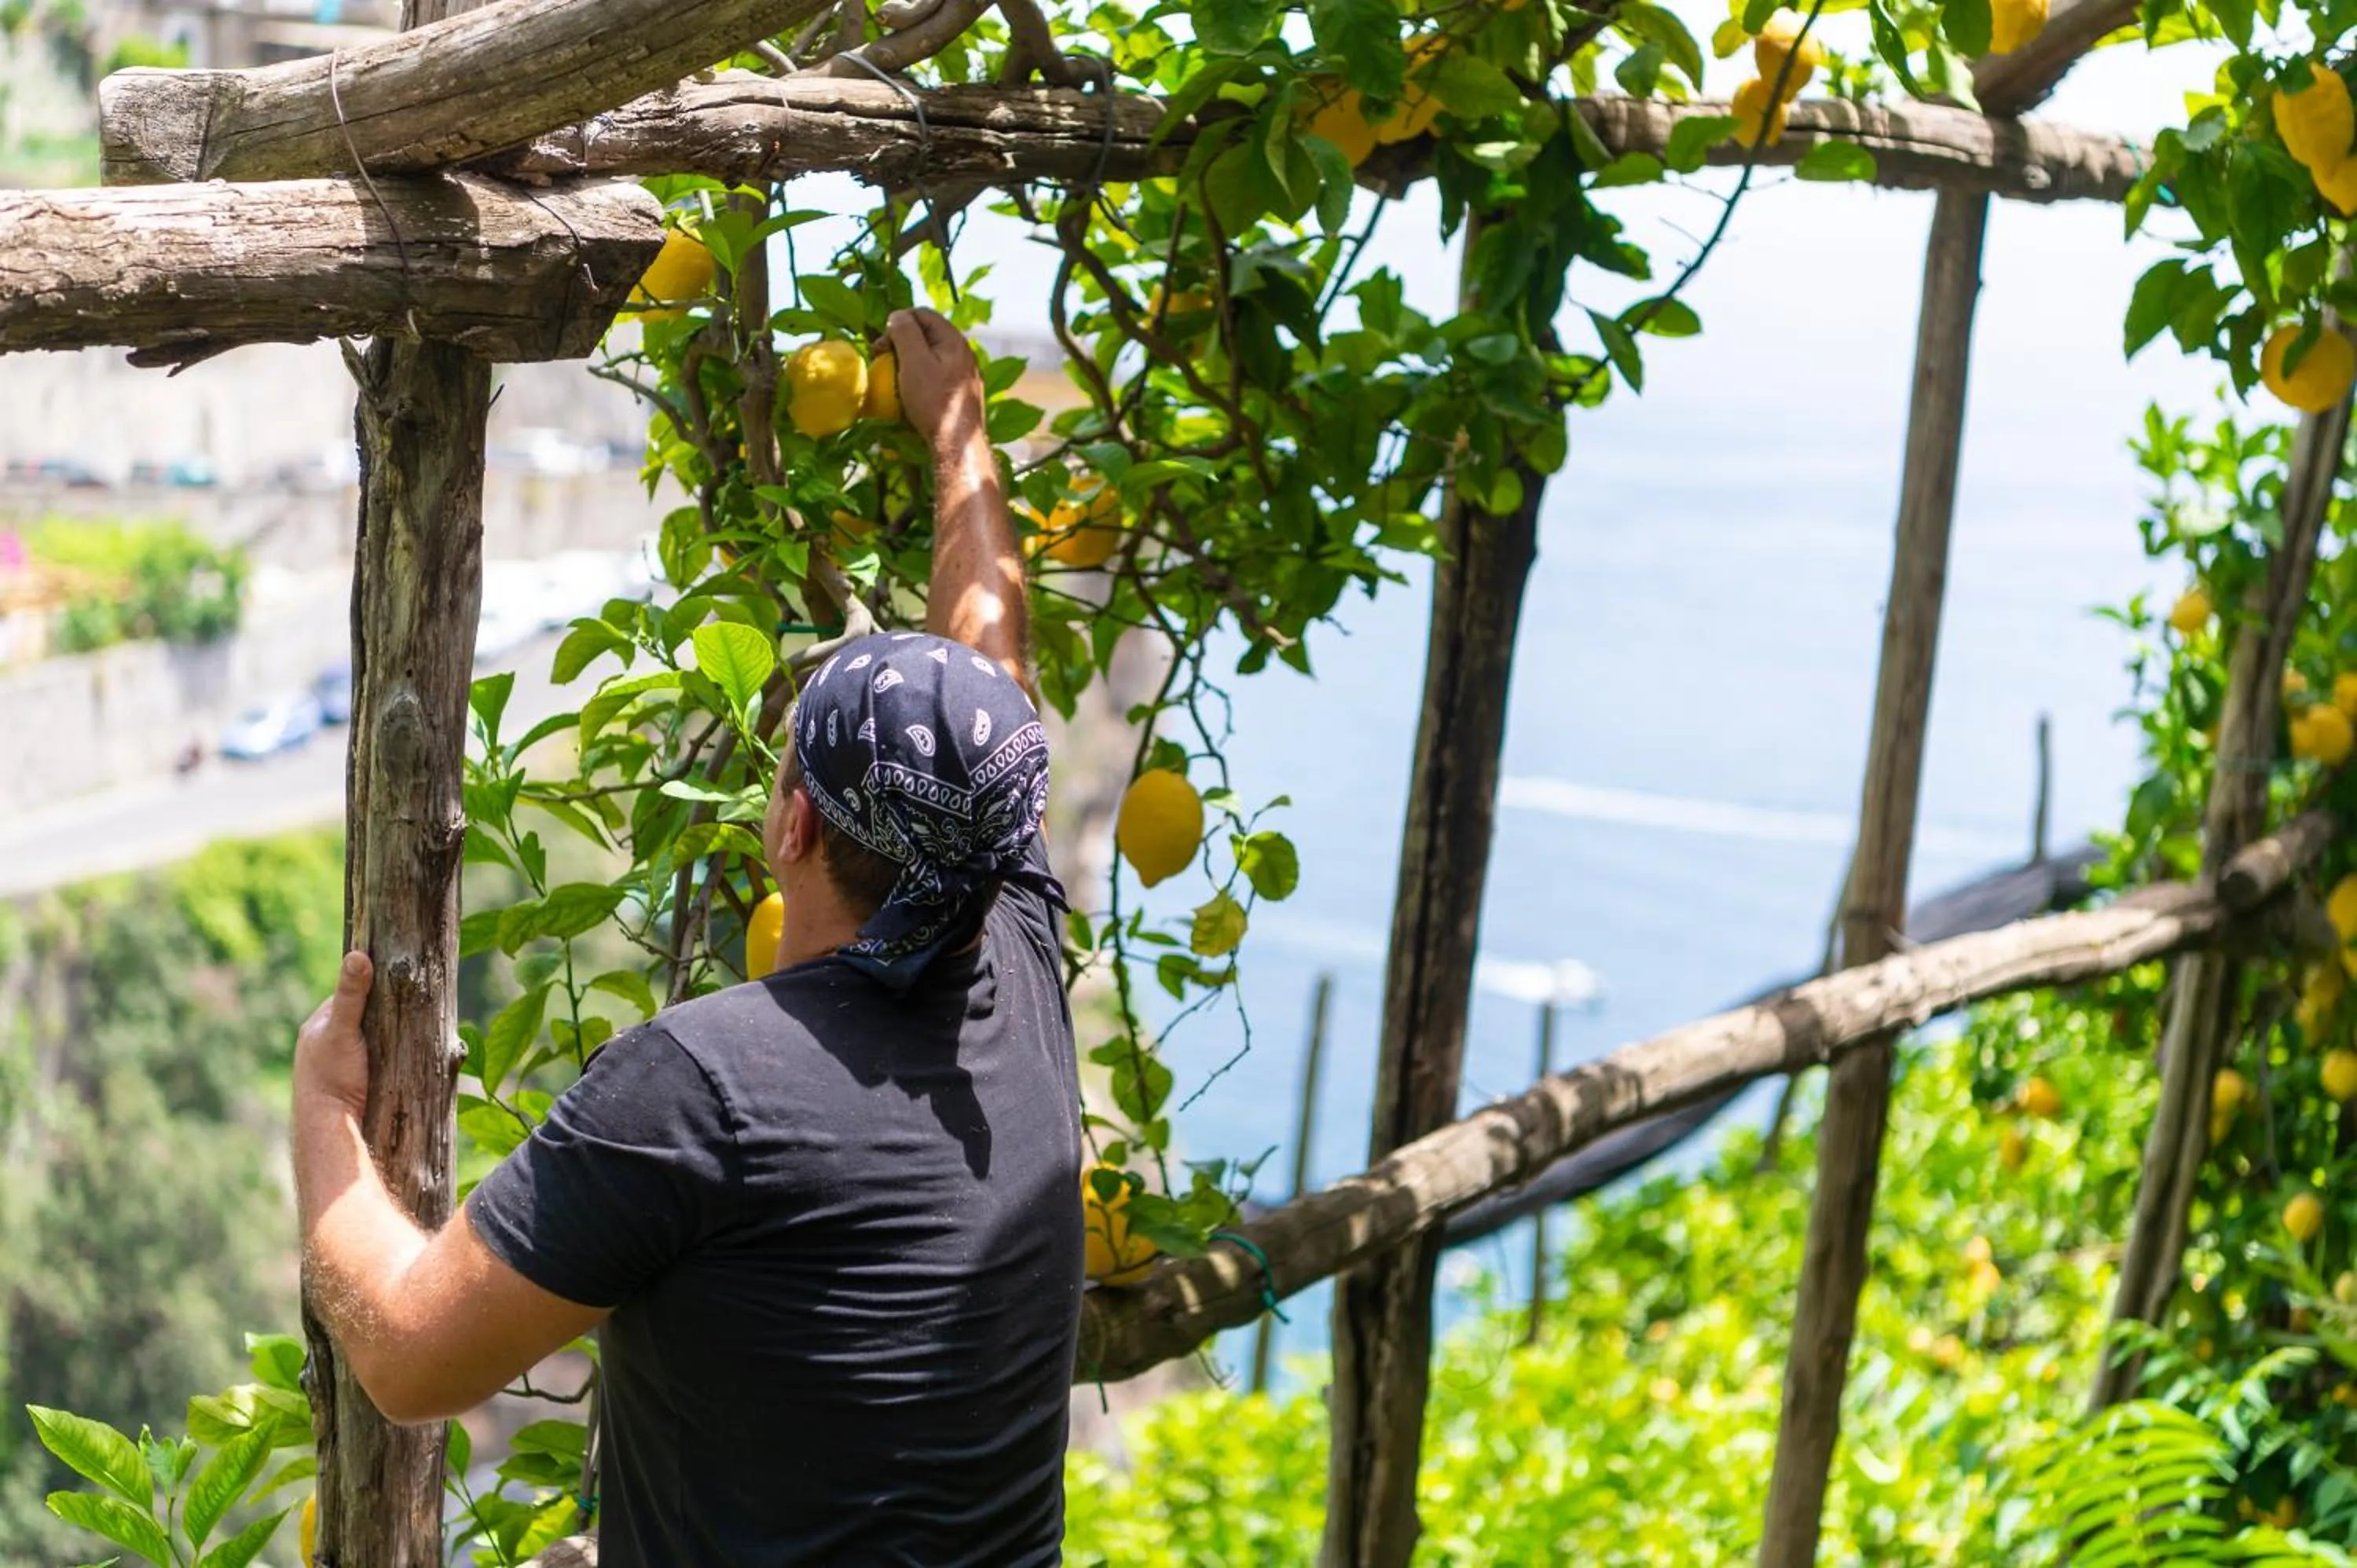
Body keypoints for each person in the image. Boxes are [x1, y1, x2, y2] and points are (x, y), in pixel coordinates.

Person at [290, 308, 1084, 1565]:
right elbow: (992, 667)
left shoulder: (704, 1086)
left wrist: (325, 1120)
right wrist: (958, 435)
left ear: (793, 827)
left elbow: (407, 1353)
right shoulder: (1020, 964)